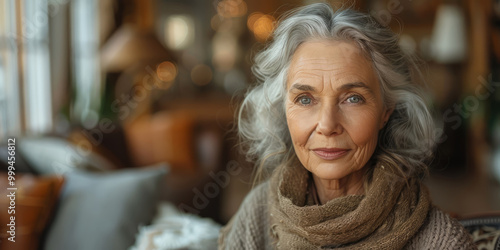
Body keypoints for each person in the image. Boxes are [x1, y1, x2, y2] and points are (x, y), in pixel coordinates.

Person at [218, 3, 475, 249]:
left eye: (353, 98)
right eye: (305, 99)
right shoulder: (257, 214)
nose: (328, 125)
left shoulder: (440, 241)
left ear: (386, 111)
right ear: (283, 109)